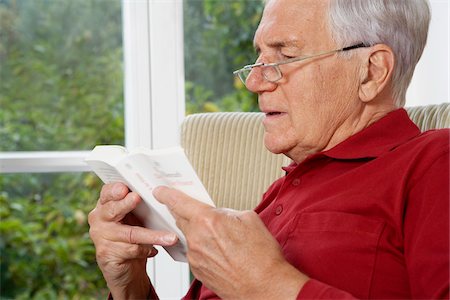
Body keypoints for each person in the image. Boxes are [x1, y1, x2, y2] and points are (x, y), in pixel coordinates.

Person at [88, 0, 449, 298]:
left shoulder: (434, 163)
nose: (255, 82)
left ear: (371, 71)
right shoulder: (278, 195)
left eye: (283, 56)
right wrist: (131, 286)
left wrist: (268, 286)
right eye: (258, 59)